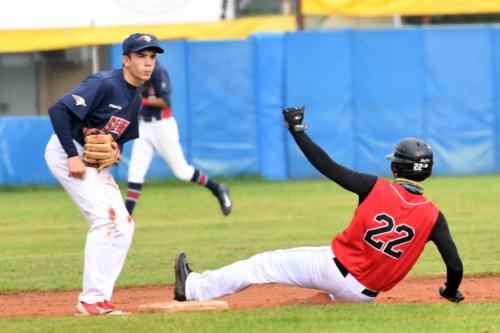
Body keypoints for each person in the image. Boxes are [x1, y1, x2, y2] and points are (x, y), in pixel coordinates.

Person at [172, 106, 464, 304]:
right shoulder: (434, 216)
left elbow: (328, 166)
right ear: (427, 170)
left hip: (334, 270)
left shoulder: (375, 187)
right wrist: (450, 292)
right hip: (365, 296)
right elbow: (455, 265)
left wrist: (298, 130)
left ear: (397, 168)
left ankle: (193, 287)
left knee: (261, 265)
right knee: (321, 302)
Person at [44, 33, 164, 315]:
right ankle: (89, 300)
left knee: (124, 225)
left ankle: (101, 299)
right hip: (67, 152)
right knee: (103, 220)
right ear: (126, 59)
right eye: (141, 56)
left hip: (92, 161)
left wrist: (116, 148)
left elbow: (121, 134)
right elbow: (59, 110)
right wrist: (72, 157)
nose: (148, 63)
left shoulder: (135, 96)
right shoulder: (104, 83)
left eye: (152, 57)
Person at [124, 61, 232, 216]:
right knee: (135, 172)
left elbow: (165, 102)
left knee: (182, 172)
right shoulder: (136, 70)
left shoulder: (159, 71)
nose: (146, 58)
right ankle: (125, 218)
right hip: (145, 126)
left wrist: (141, 101)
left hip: (163, 126)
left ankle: (217, 189)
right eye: (141, 53)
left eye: (149, 53)